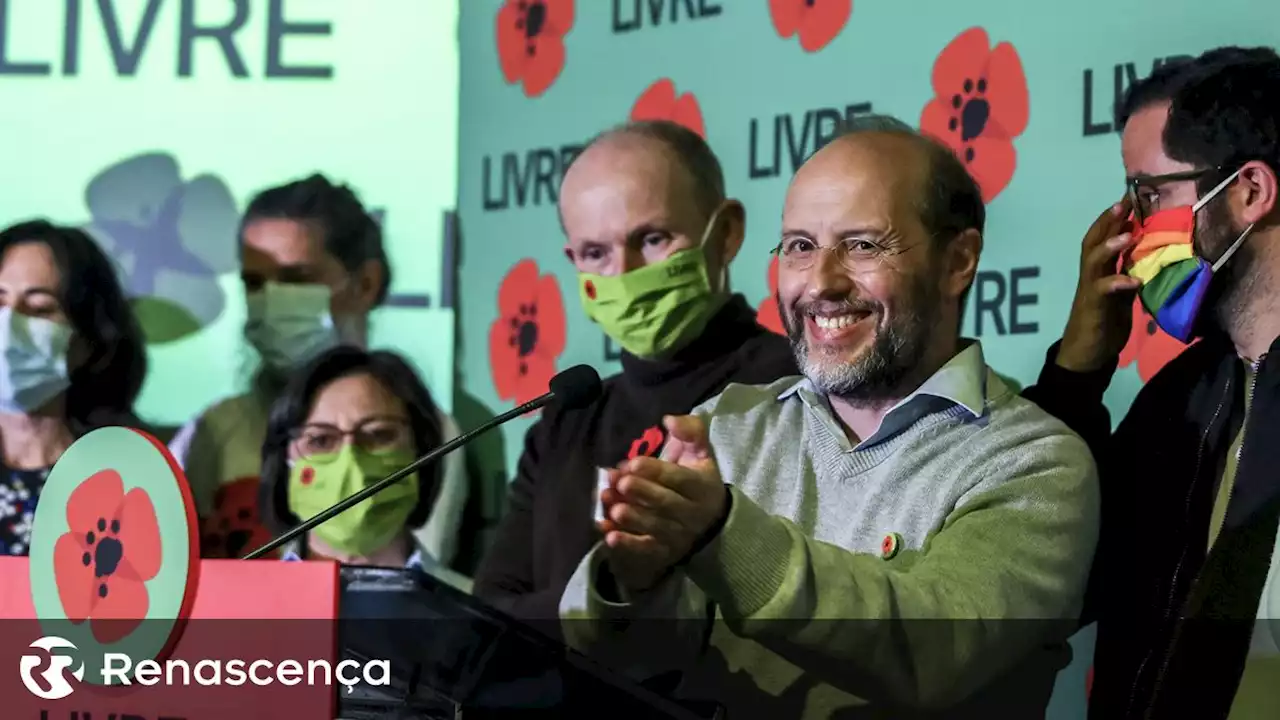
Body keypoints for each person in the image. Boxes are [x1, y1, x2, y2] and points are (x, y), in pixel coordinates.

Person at [557, 117, 1100, 718]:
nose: (821, 282)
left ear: (958, 260)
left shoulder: (1035, 463)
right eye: (799, 246)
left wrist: (721, 536)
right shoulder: (728, 426)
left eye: (863, 245)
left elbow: (931, 652)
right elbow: (619, 652)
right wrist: (629, 577)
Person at [1019, 47, 1280, 719]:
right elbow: (1043, 579)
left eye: (1149, 194)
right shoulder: (1174, 404)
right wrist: (1076, 374)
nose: (1129, 226)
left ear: (1250, 192)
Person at [472, 120, 799, 631]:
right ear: (573, 261)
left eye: (652, 239)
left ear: (728, 232)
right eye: (596, 253)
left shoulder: (798, 388)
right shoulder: (567, 418)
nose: (622, 273)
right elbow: (492, 618)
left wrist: (575, 617)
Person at [169, 174, 468, 565]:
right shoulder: (210, 431)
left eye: (296, 279)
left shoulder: (417, 435)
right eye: (254, 283)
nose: (271, 300)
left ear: (365, 283)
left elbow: (416, 572)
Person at [258, 345, 471, 591]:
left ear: (422, 449)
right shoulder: (236, 608)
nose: (352, 463)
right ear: (284, 461)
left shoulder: (479, 613)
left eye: (378, 435)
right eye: (321, 440)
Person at [0, 220, 148, 555]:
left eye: (39, 309)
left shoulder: (130, 476)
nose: (8, 327)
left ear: (88, 341)